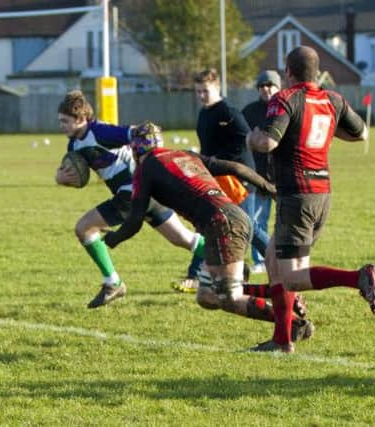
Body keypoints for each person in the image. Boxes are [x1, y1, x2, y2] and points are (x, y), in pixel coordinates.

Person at [103, 122, 314, 341]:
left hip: (220, 224)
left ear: (135, 150)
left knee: (229, 297)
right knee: (207, 295)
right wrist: (268, 187)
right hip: (230, 218)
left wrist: (113, 239)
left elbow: (135, 219)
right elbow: (234, 167)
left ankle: (293, 323)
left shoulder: (144, 169)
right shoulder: (182, 154)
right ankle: (282, 296)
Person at [246, 46, 375, 353]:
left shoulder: (286, 98)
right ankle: (282, 339)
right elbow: (360, 133)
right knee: (272, 259)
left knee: (292, 277)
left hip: (296, 196)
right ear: (317, 71)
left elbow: (268, 141)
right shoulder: (333, 99)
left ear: (288, 72)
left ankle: (359, 277)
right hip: (321, 194)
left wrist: (251, 138)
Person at [55, 90, 205, 308]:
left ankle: (112, 283)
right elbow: (78, 177)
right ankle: (232, 262)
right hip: (148, 193)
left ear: (81, 119)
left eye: (65, 121)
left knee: (84, 228)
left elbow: (139, 133)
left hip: (132, 193)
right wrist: (61, 178)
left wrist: (146, 134)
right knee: (184, 239)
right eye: (60, 121)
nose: (61, 126)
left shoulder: (100, 131)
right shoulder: (74, 144)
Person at [177, 68, 269, 292]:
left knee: (248, 226)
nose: (201, 95)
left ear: (217, 88)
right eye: (198, 91)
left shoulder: (229, 113)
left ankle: (277, 258)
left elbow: (244, 142)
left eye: (205, 91)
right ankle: (195, 274)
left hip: (237, 178)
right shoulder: (204, 113)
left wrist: (219, 160)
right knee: (209, 224)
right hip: (215, 177)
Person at [242, 70, 281, 274]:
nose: (266, 89)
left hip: (279, 174)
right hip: (254, 174)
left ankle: (281, 256)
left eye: (270, 85)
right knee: (256, 219)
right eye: (262, 86)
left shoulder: (284, 109)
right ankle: (260, 260)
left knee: (280, 220)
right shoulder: (249, 112)